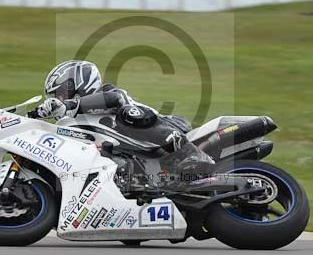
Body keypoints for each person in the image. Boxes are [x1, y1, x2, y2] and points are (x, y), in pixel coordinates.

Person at [27, 60, 213, 176]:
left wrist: (70, 105)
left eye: (60, 94)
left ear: (78, 83)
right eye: (55, 98)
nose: (59, 100)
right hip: (140, 161)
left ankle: (192, 155)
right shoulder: (82, 122)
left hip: (170, 126)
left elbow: (117, 100)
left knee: (129, 115)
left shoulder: (108, 93)